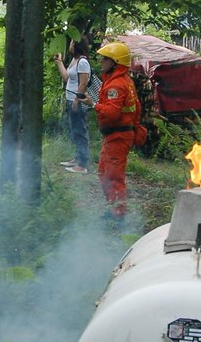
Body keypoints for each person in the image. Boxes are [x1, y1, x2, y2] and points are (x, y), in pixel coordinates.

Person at [92, 41, 141, 217]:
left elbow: (112, 113)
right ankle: (112, 208)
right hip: (117, 135)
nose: (101, 62)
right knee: (104, 172)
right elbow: (137, 107)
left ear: (115, 62)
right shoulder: (124, 81)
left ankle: (118, 215)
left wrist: (94, 105)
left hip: (118, 136)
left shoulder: (116, 85)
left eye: (105, 59)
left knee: (113, 177)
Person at [54, 38, 91, 172]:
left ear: (76, 45)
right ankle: (77, 158)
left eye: (71, 42)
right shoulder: (75, 60)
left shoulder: (83, 62)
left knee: (80, 130)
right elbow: (66, 78)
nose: (70, 44)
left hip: (78, 102)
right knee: (75, 130)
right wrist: (59, 62)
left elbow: (83, 83)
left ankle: (82, 164)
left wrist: (76, 99)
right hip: (70, 99)